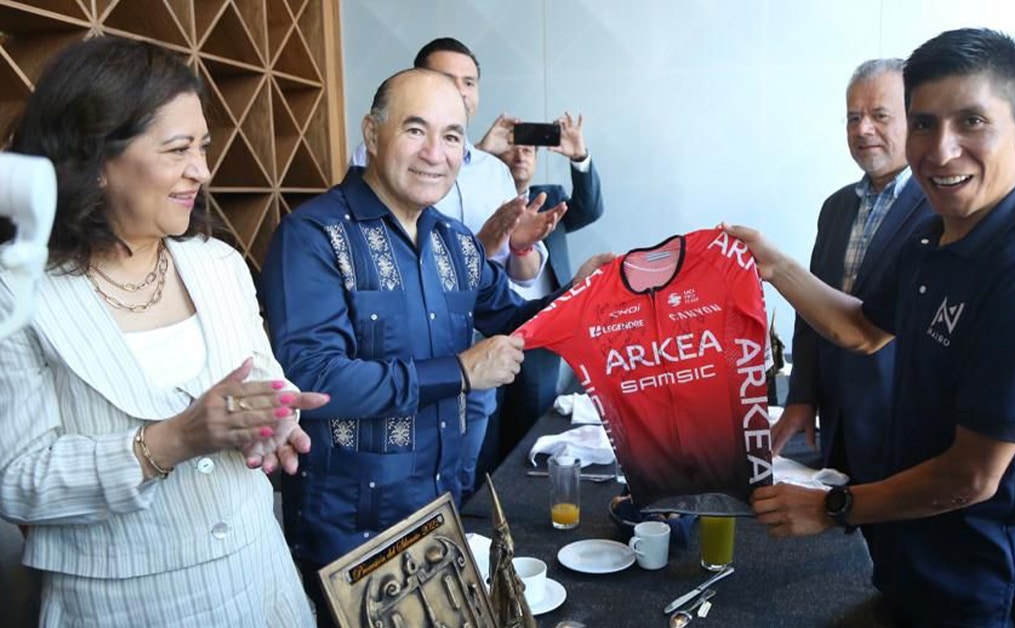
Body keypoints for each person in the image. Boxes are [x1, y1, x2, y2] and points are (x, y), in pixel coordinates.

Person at [729, 28, 1015, 627]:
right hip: (910, 561)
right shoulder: (933, 239)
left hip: (984, 590)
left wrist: (833, 506)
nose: (942, 150)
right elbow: (862, 330)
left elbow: (971, 477)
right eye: (925, 123)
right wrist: (774, 266)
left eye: (971, 121)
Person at [260, 68, 607, 628]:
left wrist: (581, 294)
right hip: (352, 538)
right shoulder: (313, 236)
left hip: (440, 515)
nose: (434, 154)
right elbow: (314, 379)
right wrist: (460, 372)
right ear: (372, 134)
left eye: (451, 137)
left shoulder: (455, 242)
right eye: (415, 130)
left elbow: (517, 320)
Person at [0, 37, 328, 627]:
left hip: (260, 580)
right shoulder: (17, 292)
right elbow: (17, 481)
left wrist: (274, 416)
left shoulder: (219, 264)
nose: (201, 170)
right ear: (95, 161)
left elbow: (261, 378)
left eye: (202, 147)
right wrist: (171, 441)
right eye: (178, 150)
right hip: (123, 606)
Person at [351, 37, 568, 499]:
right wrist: (481, 246)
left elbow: (512, 291)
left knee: (462, 482)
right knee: (406, 496)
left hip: (482, 355)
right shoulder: (367, 179)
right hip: (399, 384)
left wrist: (566, 280)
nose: (459, 91)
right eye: (446, 79)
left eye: (468, 82)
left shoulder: (491, 172)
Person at [775, 58, 932, 489]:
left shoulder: (940, 208)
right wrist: (802, 396)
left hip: (903, 424)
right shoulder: (837, 206)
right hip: (836, 418)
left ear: (915, 120)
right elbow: (810, 310)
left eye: (880, 116)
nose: (863, 129)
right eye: (853, 118)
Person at [477, 112, 606, 479]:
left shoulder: (550, 199)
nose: (521, 155)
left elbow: (591, 208)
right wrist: (480, 156)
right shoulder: (480, 203)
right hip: (491, 327)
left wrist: (579, 156)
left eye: (530, 150)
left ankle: (525, 486)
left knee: (534, 424)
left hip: (545, 322)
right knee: (491, 432)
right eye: (514, 148)